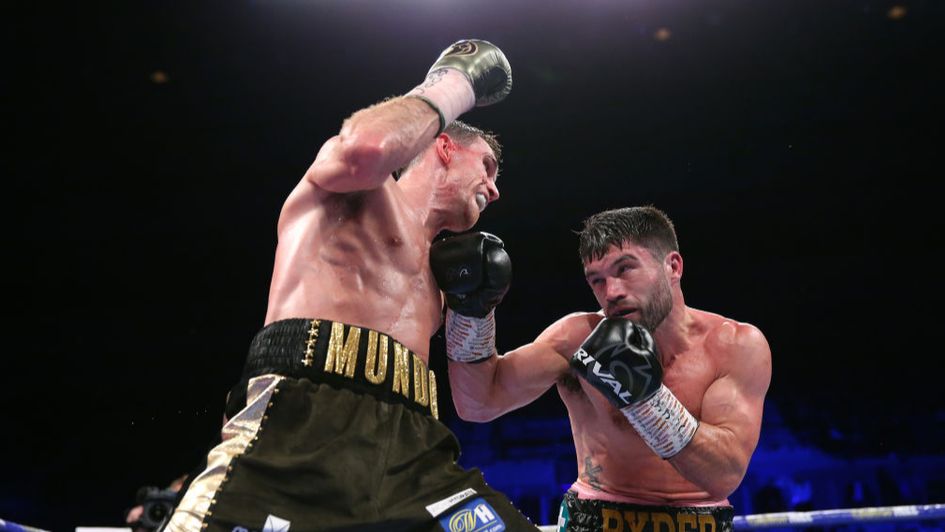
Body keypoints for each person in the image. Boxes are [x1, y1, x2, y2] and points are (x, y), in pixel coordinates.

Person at [163, 39, 539, 531]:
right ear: (445, 145)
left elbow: (477, 402)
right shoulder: (359, 190)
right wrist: (455, 83)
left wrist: (480, 308)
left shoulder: (449, 277)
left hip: (414, 455)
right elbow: (367, 146)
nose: (495, 188)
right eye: (487, 166)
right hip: (301, 425)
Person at [433, 206, 772, 532]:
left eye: (625, 269)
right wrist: (470, 314)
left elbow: (723, 475)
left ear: (673, 266)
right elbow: (478, 403)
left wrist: (645, 398)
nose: (611, 292)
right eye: (596, 280)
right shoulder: (577, 338)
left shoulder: (735, 345)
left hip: (702, 521)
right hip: (598, 518)